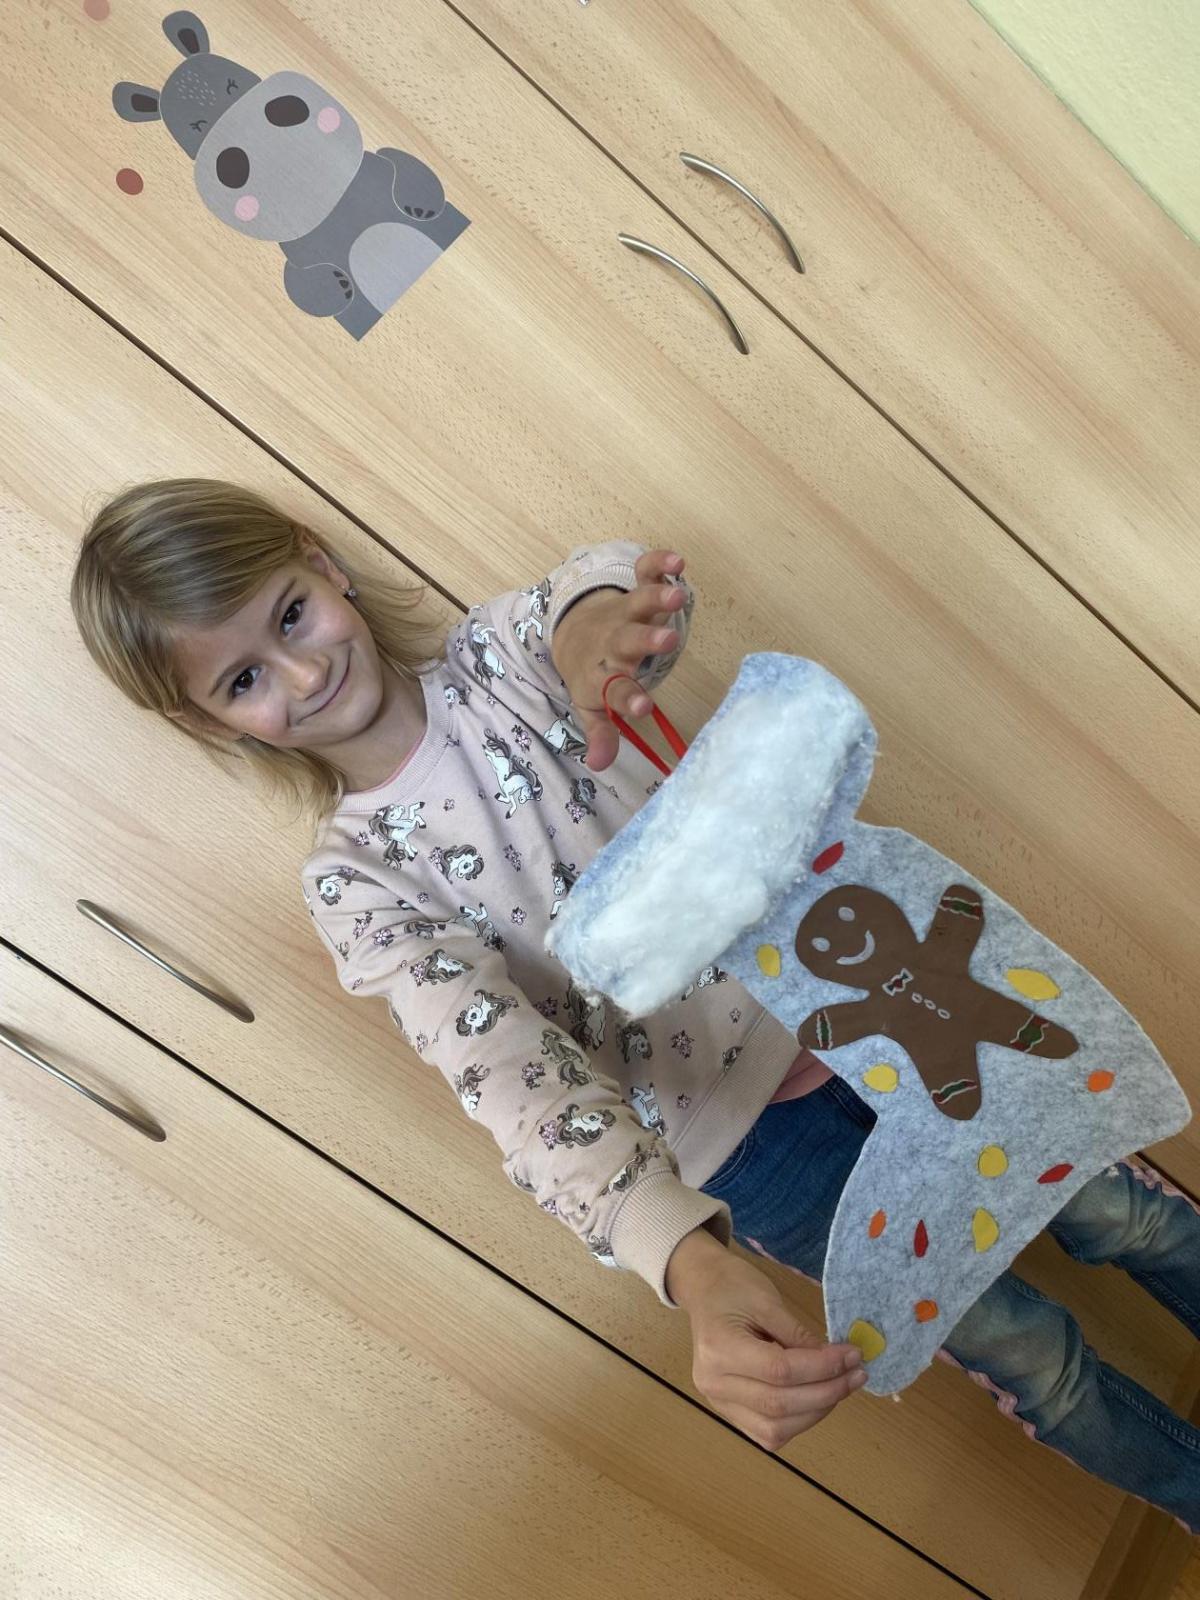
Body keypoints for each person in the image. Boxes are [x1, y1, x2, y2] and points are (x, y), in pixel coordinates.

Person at [70, 479, 1200, 1529]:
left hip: (872, 993)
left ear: (324, 567)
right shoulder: (360, 889)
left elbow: (587, 595)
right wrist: (686, 1260)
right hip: (754, 1155)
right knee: (1032, 1359)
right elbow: (516, 1085)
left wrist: (596, 634)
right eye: (243, 680)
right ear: (212, 724)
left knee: (1118, 1210)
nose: (302, 671)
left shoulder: (500, 663)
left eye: (291, 615)